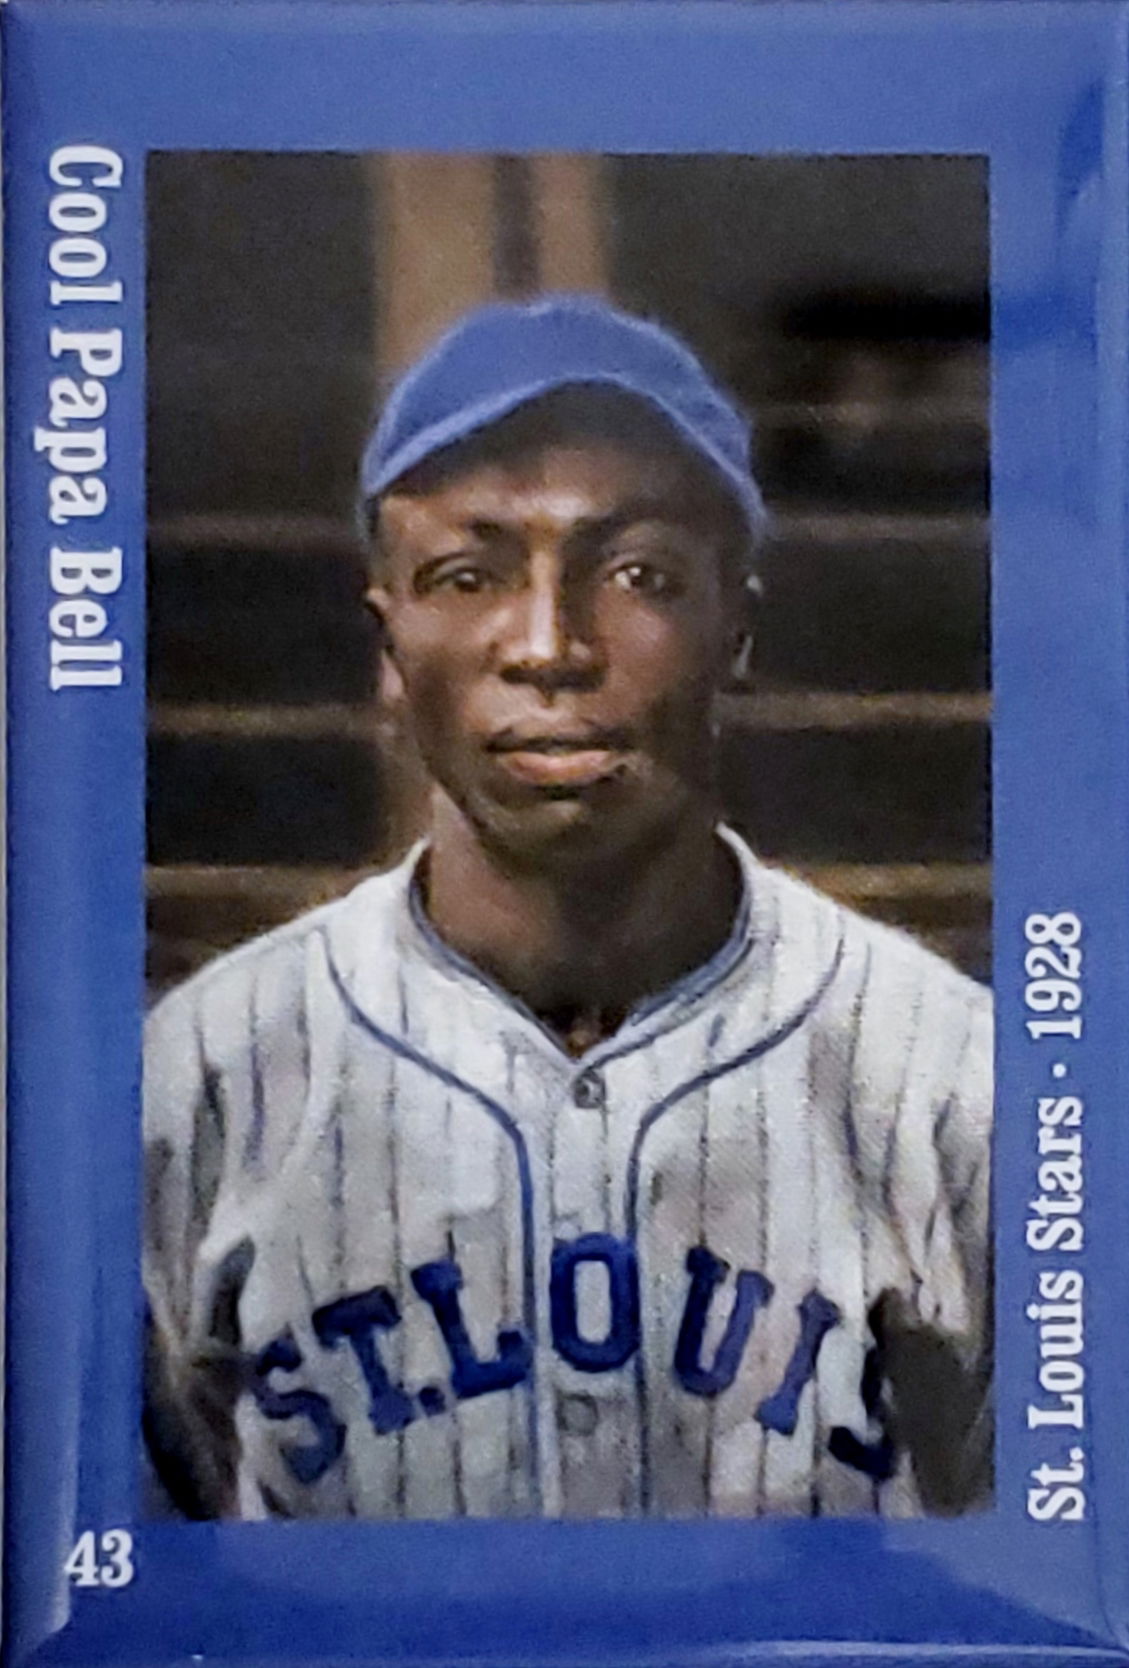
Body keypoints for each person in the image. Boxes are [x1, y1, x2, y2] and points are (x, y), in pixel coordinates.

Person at [143, 294, 992, 1522]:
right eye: (467, 573)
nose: (548, 645)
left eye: (638, 573)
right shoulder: (193, 1085)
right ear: (389, 642)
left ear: (734, 624)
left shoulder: (957, 1084)